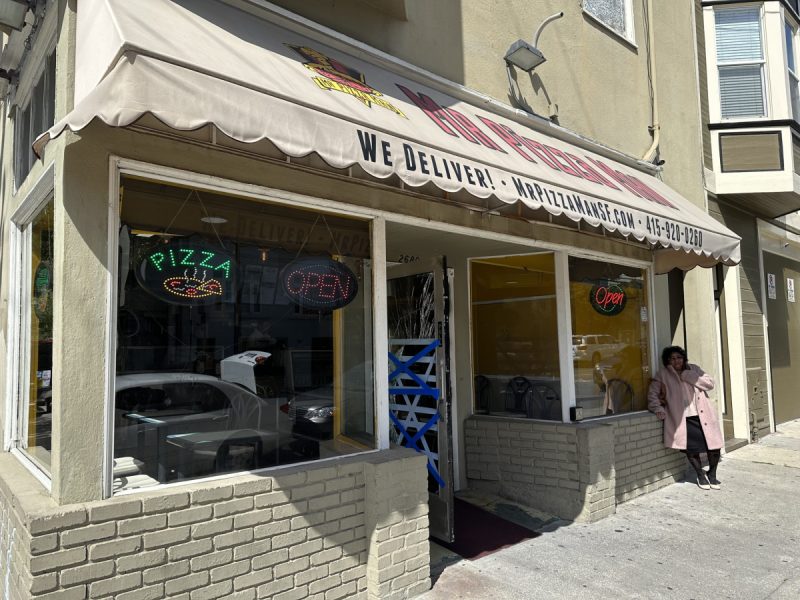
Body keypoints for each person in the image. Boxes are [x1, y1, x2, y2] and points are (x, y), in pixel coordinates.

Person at [648, 346, 724, 490]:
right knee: (691, 450)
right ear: (667, 361)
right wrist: (657, 408)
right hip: (683, 419)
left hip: (704, 416)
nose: (676, 361)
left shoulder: (694, 369)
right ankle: (700, 476)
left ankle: (712, 474)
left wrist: (688, 375)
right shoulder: (663, 374)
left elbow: (709, 384)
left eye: (679, 357)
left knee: (714, 448)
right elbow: (652, 394)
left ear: (683, 358)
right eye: (672, 358)